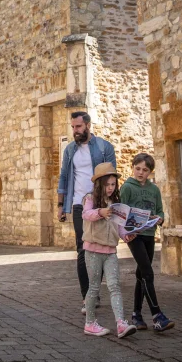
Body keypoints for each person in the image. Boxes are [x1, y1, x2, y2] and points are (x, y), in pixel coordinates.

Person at [57, 111, 116, 311]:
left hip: (100, 204)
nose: (75, 131)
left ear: (88, 126)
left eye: (78, 127)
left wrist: (112, 204)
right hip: (78, 205)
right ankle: (87, 296)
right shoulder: (69, 150)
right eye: (72, 127)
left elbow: (112, 178)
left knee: (99, 248)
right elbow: (64, 177)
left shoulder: (104, 147)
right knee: (83, 249)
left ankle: (96, 289)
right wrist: (60, 206)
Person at [120, 152, 174, 333]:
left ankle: (136, 315)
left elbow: (160, 211)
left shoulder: (154, 190)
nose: (140, 173)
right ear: (133, 168)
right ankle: (157, 316)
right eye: (138, 169)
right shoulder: (127, 188)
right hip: (135, 236)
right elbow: (121, 212)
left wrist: (160, 218)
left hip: (150, 234)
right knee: (148, 273)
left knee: (141, 274)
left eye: (145, 170)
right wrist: (127, 231)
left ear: (150, 172)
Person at [82, 163, 137, 339]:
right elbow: (86, 215)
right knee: (94, 287)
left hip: (111, 252)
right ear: (99, 184)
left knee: (115, 286)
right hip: (93, 251)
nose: (110, 188)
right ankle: (90, 323)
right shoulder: (89, 198)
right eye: (107, 184)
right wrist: (101, 211)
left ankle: (121, 323)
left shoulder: (115, 203)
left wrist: (126, 236)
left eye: (113, 184)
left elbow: (118, 226)